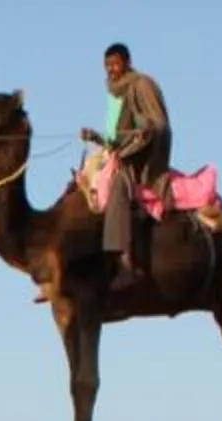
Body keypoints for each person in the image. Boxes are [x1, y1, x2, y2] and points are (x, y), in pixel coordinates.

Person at [80, 41, 171, 279]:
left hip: (140, 157)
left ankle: (124, 260)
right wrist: (96, 137)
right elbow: (115, 140)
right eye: (107, 66)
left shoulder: (142, 85)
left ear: (127, 62)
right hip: (118, 153)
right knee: (80, 183)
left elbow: (158, 124)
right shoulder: (114, 93)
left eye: (115, 64)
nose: (111, 70)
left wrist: (145, 132)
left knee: (118, 186)